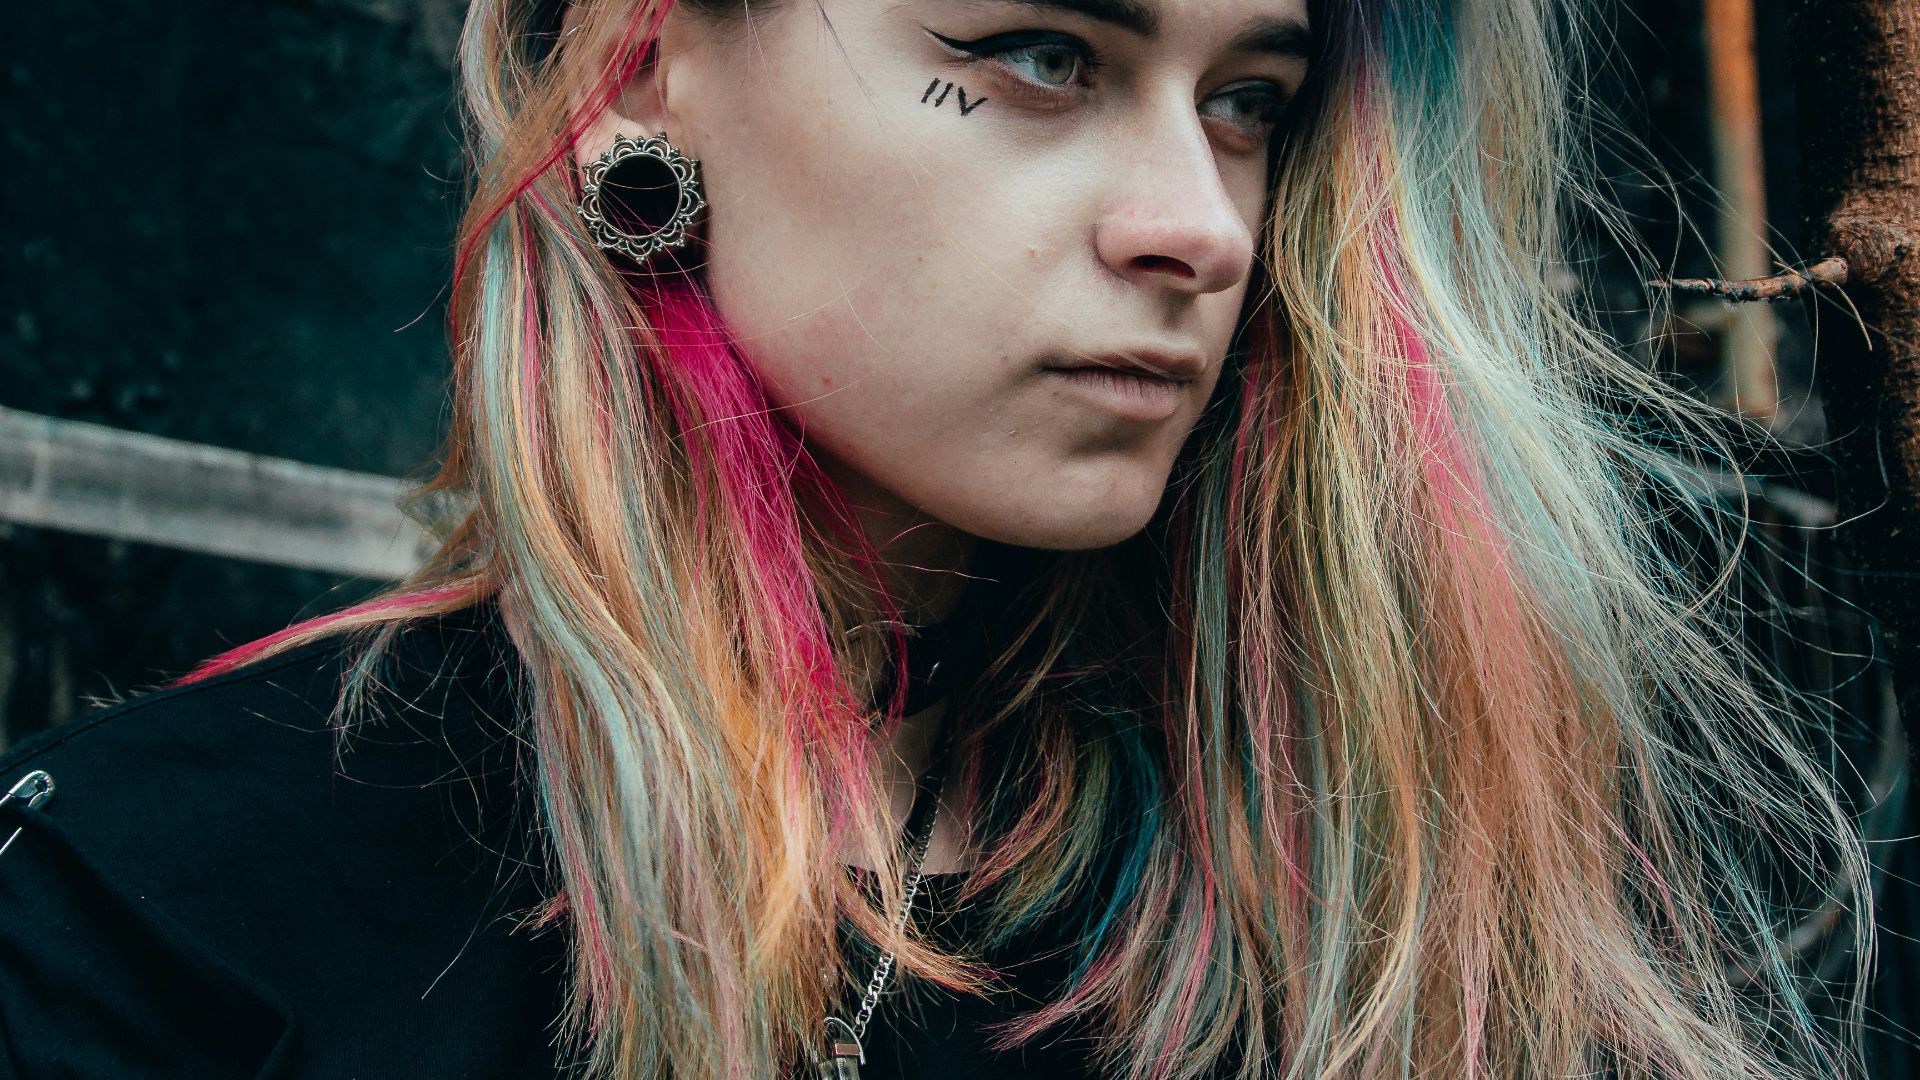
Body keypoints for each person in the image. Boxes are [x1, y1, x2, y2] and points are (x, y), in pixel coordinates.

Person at [0, 0, 1875, 1077]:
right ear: (645, 59)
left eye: (1250, 103)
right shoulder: (158, 896)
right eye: (1041, 52)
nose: (1200, 226)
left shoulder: (1406, 898)